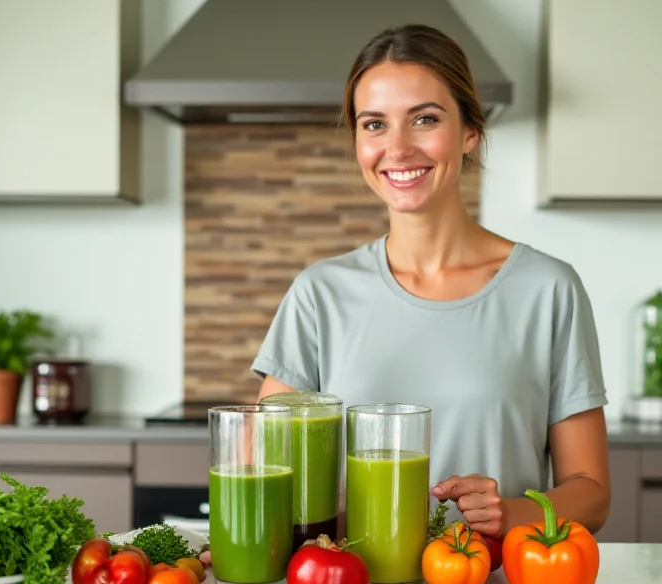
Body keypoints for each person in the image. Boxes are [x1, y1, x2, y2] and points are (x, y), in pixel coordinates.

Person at [252, 23, 610, 539]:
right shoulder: (319, 294)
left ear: (470, 132)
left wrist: (510, 512)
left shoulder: (547, 289)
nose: (397, 148)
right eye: (374, 124)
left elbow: (592, 490)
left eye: (424, 119)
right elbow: (264, 464)